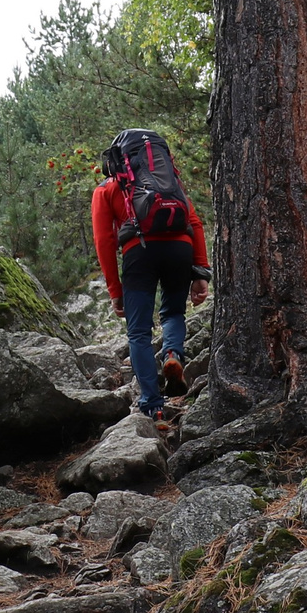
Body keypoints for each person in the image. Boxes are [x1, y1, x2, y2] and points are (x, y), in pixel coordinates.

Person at [90, 135, 210, 429]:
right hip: (180, 248)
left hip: (139, 252)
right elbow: (194, 222)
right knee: (173, 311)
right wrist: (201, 272)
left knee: (139, 333)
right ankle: (172, 353)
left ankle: (153, 409)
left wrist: (115, 290)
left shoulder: (107, 189)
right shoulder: (170, 184)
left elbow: (104, 241)